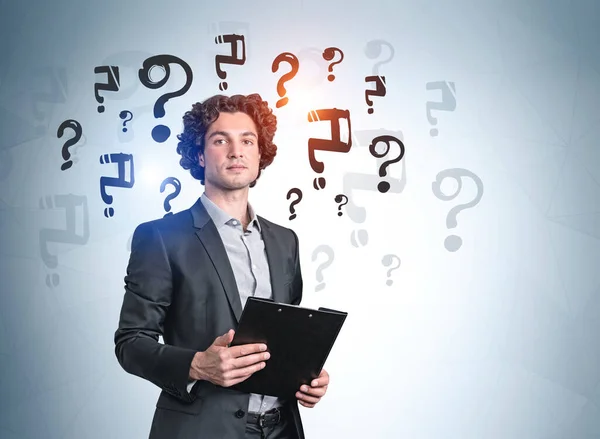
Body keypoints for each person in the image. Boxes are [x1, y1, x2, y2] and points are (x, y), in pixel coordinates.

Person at [114, 93, 329, 439]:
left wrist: (308, 374)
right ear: (199, 154)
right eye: (220, 140)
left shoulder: (285, 240)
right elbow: (130, 342)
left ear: (260, 154)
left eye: (248, 140)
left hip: (283, 428)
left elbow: (288, 335)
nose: (236, 150)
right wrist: (197, 365)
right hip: (201, 428)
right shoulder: (160, 237)